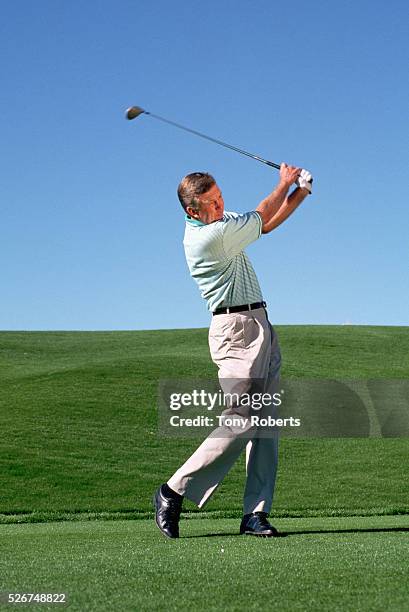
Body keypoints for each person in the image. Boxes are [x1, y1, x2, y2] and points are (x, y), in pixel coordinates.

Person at [153, 163, 313, 538]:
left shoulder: (220, 223)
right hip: (235, 333)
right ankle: (173, 489)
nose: (221, 205)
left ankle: (255, 514)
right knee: (241, 418)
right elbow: (261, 214)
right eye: (212, 202)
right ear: (193, 211)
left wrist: (300, 194)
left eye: (221, 196)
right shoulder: (209, 237)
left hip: (260, 324)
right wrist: (285, 182)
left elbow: (268, 223)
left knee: (265, 424)